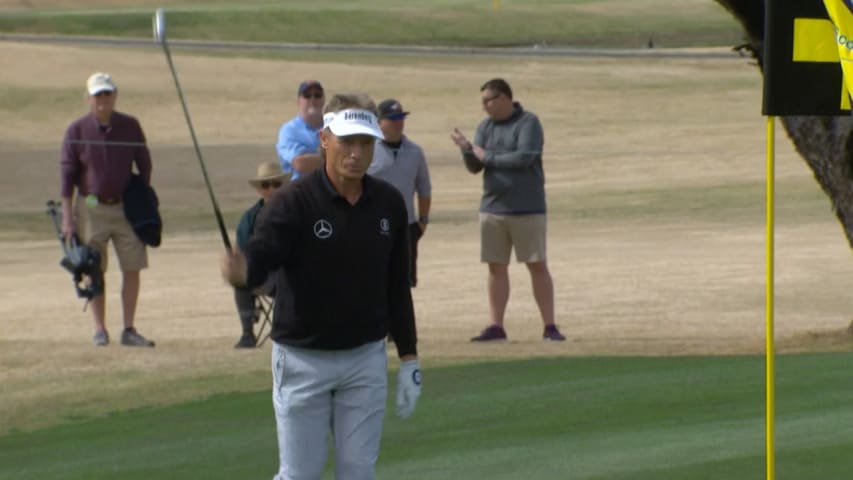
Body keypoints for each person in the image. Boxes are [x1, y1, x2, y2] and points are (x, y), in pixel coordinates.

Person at [222, 93, 421, 479]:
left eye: (365, 143)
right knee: (300, 474)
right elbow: (261, 258)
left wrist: (409, 357)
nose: (356, 153)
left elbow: (397, 285)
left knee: (358, 472)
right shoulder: (292, 202)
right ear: (324, 139)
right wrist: (242, 271)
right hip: (301, 358)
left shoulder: (389, 204)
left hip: (365, 357)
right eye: (347, 142)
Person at [449, 78, 565, 342]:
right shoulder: (485, 127)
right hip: (493, 208)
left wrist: (485, 155)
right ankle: (496, 326)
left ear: (504, 98)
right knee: (496, 267)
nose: (484, 107)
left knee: (537, 265)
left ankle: (550, 326)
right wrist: (467, 150)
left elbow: (525, 157)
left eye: (487, 101)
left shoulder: (528, 123)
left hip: (527, 207)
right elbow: (475, 167)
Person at [59, 72, 155, 347]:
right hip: (90, 207)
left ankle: (129, 328)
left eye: (107, 94)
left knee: (133, 266)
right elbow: (67, 179)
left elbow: (144, 162)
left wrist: (141, 195)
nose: (103, 100)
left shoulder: (130, 126)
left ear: (115, 95)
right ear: (88, 99)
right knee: (93, 267)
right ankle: (99, 328)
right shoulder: (76, 130)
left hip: (126, 207)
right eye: (97, 95)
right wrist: (67, 218)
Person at [367, 98, 432, 287]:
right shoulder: (367, 149)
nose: (398, 123)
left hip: (406, 225)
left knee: (404, 281)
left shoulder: (415, 152)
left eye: (401, 118)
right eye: (393, 118)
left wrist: (423, 221)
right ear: (379, 122)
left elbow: (424, 189)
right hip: (372, 224)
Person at [232, 162, 290, 349]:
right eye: (266, 185)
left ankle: (287, 328)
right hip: (261, 274)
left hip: (290, 274)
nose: (271, 189)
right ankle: (247, 333)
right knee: (240, 281)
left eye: (276, 184)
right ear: (259, 190)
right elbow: (242, 247)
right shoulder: (250, 217)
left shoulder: (295, 210)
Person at [276, 80, 325, 180]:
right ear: (298, 101)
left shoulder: (333, 126)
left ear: (323, 99)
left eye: (317, 95)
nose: (312, 99)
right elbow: (300, 164)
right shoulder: (289, 130)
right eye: (307, 96)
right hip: (300, 191)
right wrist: (336, 159)